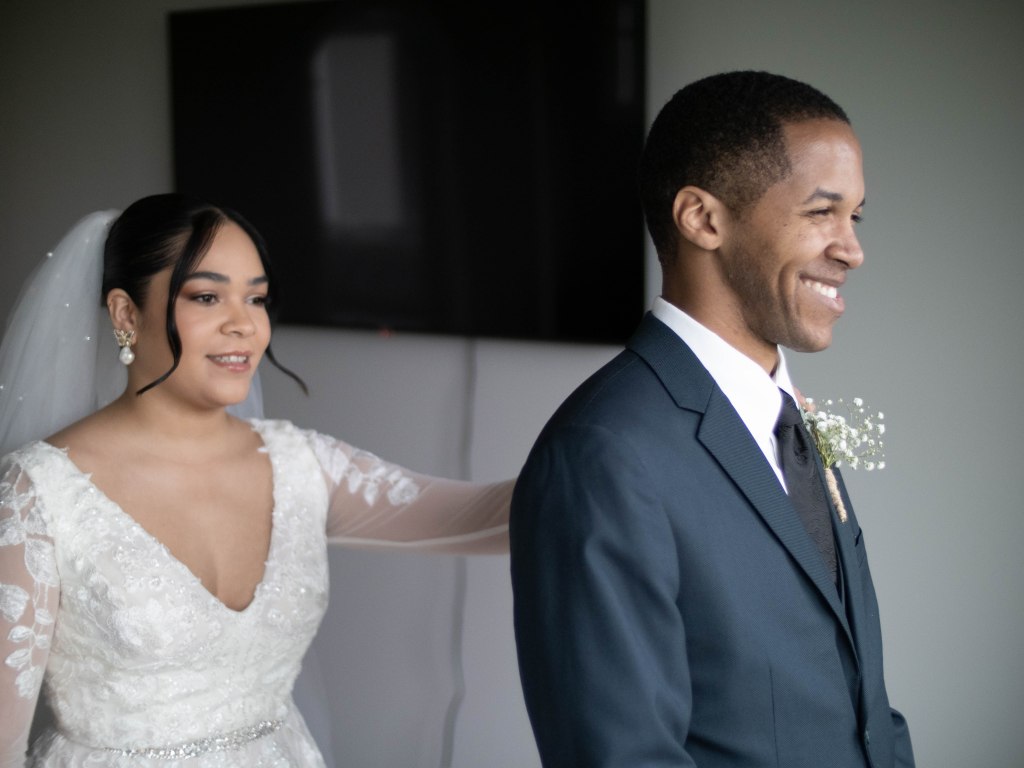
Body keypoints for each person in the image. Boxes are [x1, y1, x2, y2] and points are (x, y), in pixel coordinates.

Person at [0, 193, 512, 766]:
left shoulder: (302, 465)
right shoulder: (40, 494)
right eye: (207, 296)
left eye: (257, 298)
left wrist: (589, 436)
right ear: (125, 314)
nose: (244, 324)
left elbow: (498, 518)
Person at [510, 71, 915, 767]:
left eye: (855, 217)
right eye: (822, 212)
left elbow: (867, 709)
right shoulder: (603, 455)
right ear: (702, 219)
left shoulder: (789, 423)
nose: (852, 249)